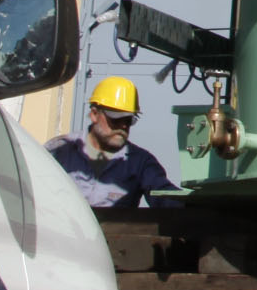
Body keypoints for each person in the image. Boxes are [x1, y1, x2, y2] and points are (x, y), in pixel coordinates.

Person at [49, 75, 175, 211]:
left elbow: (165, 197)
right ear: (94, 114)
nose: (123, 126)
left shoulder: (140, 163)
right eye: (115, 119)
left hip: (113, 232)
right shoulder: (60, 150)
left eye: (128, 120)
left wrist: (194, 206)